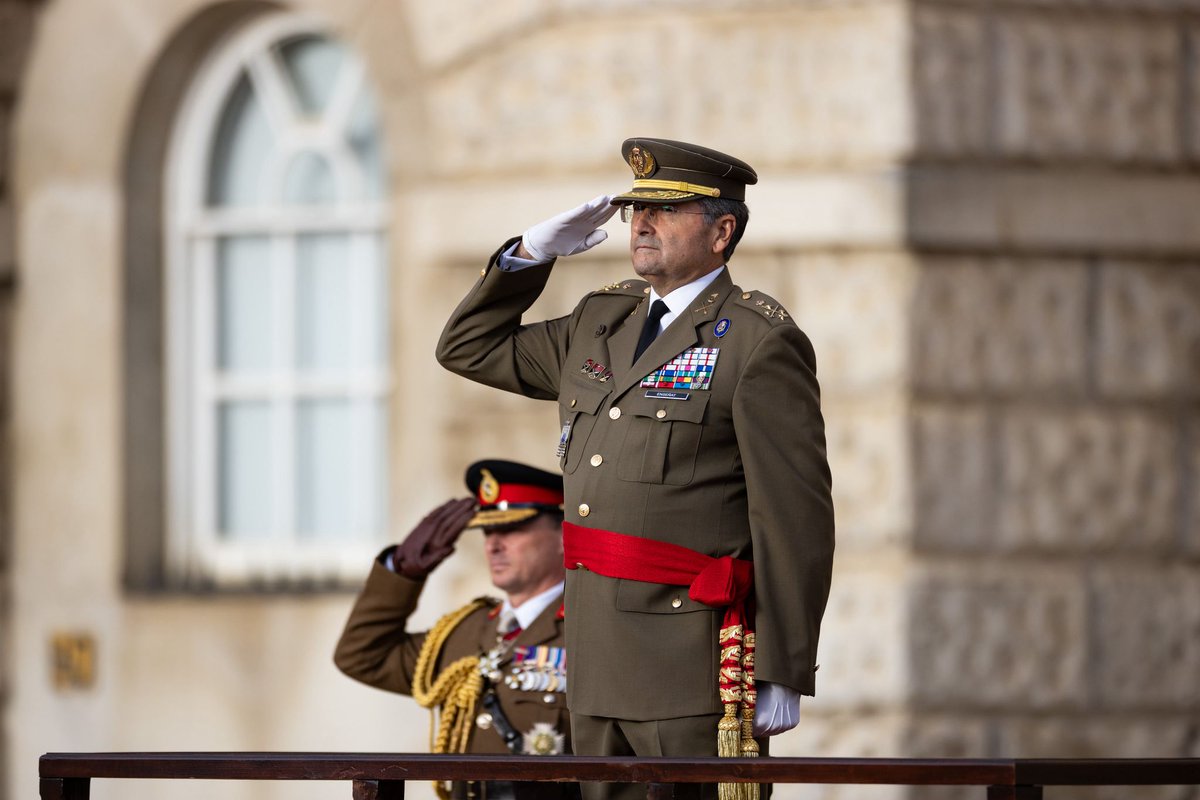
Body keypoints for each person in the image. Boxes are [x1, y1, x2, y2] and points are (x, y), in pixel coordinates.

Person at [436, 138, 835, 800]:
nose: (641, 224)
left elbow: (794, 515)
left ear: (722, 231)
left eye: (664, 211)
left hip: (690, 663)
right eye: (634, 210)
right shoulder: (602, 320)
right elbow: (467, 348)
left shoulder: (758, 342)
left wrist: (782, 667)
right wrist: (530, 253)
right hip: (593, 660)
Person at [335, 459, 573, 800]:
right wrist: (402, 572)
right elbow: (362, 655)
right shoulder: (464, 631)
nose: (493, 545)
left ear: (565, 534)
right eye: (489, 532)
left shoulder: (589, 631)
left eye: (511, 529)